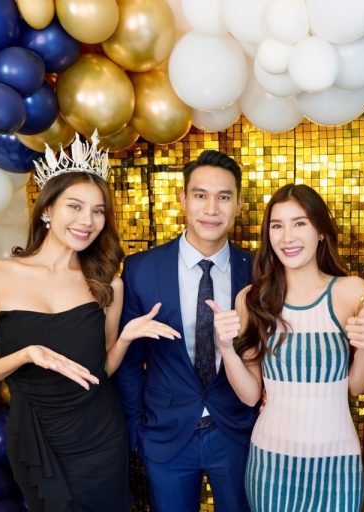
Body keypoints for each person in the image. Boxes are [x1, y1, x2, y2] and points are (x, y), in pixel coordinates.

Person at [0, 133, 179, 512]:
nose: (87, 221)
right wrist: (26, 355)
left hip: (99, 435)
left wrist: (124, 339)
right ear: (47, 209)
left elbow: (99, 371)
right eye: (74, 206)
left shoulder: (108, 284)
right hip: (36, 437)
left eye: (98, 211)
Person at [208, 183, 364, 512]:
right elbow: (251, 395)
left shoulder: (352, 292)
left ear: (321, 232)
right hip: (270, 465)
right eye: (277, 226)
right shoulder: (253, 299)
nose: (287, 237)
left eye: (299, 223)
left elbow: (356, 387)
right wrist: (226, 348)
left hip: (338, 465)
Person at [113, 150, 257, 512]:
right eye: (200, 195)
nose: (211, 209)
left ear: (239, 204)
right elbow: (129, 363)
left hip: (237, 433)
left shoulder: (257, 271)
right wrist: (137, 431)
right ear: (183, 200)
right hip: (165, 436)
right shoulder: (141, 269)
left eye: (224, 197)